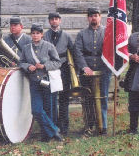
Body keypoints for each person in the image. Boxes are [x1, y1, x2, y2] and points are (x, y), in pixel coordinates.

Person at [19, 23, 63, 142]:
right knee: (36, 110)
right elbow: (21, 62)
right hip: (34, 82)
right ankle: (54, 131)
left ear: (42, 34)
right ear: (31, 34)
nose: (35, 35)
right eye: (33, 33)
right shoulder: (26, 48)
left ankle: (46, 136)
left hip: (47, 81)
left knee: (49, 109)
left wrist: (44, 66)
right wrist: (28, 67)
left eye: (38, 33)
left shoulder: (49, 46)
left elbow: (57, 62)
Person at [74, 7, 111, 135]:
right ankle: (89, 125)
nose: (93, 18)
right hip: (87, 70)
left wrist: (107, 66)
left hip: (104, 69)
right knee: (88, 98)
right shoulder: (81, 34)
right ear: (88, 18)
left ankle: (103, 126)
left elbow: (112, 51)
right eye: (91, 16)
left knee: (103, 97)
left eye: (96, 15)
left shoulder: (108, 32)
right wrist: (85, 67)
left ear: (100, 17)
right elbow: (77, 52)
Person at [43, 12, 75, 135]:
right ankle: (52, 125)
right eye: (52, 19)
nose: (54, 21)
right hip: (49, 69)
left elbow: (72, 51)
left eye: (56, 19)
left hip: (64, 70)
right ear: (49, 21)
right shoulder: (45, 35)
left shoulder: (66, 36)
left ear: (60, 21)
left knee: (64, 98)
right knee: (50, 98)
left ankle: (64, 127)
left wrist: (74, 70)